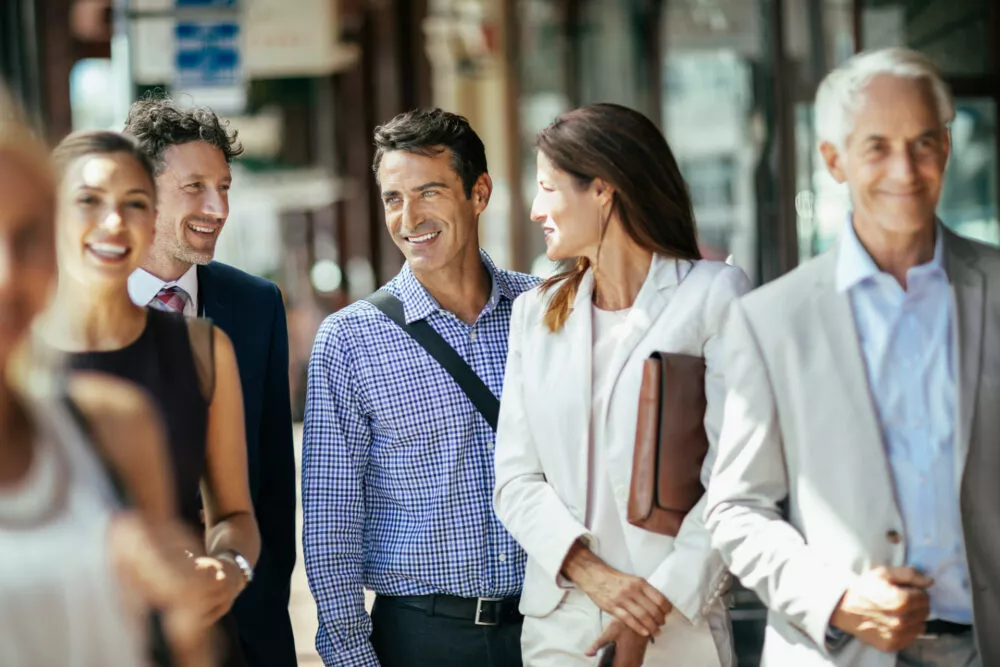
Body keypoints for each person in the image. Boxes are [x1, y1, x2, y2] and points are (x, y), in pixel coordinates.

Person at [706, 47, 1000, 667]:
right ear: (834, 161)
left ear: (947, 147)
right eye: (877, 147)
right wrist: (836, 598)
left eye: (924, 142)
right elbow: (736, 509)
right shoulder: (769, 320)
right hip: (841, 651)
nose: (906, 168)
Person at [492, 103, 747, 667]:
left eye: (548, 188)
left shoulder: (712, 295)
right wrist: (596, 578)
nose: (536, 210)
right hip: (564, 631)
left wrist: (649, 605)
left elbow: (734, 476)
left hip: (679, 623)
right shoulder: (535, 314)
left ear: (603, 189)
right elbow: (515, 479)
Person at [302, 108, 538, 667]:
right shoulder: (350, 339)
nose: (409, 218)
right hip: (423, 637)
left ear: (478, 193)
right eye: (392, 198)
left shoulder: (545, 310)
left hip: (550, 627)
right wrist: (352, 658)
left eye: (428, 191)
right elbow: (330, 525)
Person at [36, 129, 260, 667]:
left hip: (184, 642)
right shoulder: (16, 353)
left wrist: (229, 569)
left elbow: (235, 512)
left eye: (135, 203)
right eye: (89, 201)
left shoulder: (203, 349)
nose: (115, 222)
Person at [0, 95, 210, 666]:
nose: (6, 276)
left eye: (25, 238)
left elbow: (181, 644)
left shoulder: (115, 423)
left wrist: (185, 606)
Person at [123, 98, 297, 667]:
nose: (218, 206)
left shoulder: (256, 305)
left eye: (224, 186)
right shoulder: (77, 317)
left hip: (246, 624)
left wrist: (259, 589)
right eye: (194, 186)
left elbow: (272, 473)